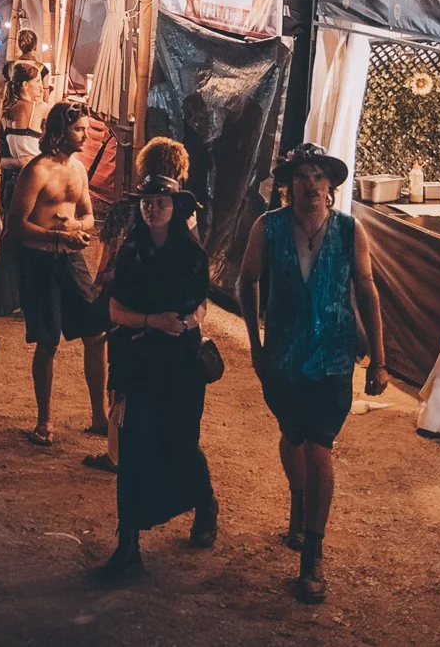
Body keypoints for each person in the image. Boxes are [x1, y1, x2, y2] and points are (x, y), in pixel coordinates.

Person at [239, 143, 388, 606]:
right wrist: (255, 344)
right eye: (301, 176)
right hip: (283, 357)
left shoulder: (348, 230)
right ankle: (299, 500)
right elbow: (247, 280)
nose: (310, 184)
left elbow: (366, 289)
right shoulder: (269, 227)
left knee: (320, 445)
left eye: (318, 176)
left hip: (333, 357)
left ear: (330, 185)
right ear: (289, 185)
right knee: (293, 435)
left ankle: (312, 555)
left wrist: (379, 358)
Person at [92, 162, 218, 583]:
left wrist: (190, 320)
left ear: (175, 207)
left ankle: (204, 503)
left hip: (180, 366)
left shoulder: (192, 254)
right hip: (138, 365)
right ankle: (128, 545)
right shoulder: (130, 252)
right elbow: (114, 309)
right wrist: (152, 321)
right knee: (132, 449)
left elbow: (200, 304)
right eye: (147, 203)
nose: (152, 209)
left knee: (180, 443)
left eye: (160, 202)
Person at [6, 103, 105, 449]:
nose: (86, 135)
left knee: (96, 334)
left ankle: (99, 416)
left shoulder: (78, 169)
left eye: (86, 128)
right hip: (40, 263)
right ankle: (44, 420)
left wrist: (78, 227)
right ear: (60, 131)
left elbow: (89, 215)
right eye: (79, 129)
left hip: (72, 260)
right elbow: (15, 224)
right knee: (48, 342)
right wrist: (56, 237)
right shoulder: (36, 171)